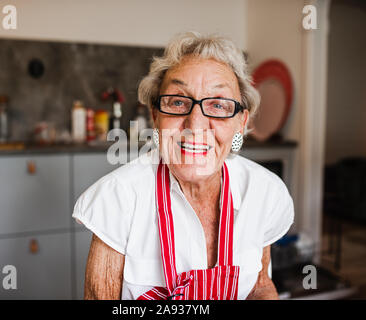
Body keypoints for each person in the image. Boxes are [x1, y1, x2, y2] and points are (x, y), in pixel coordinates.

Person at [73, 32, 294, 300]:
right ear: (155, 116)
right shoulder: (116, 199)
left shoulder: (264, 191)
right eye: (178, 102)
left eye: (218, 104)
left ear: (241, 122)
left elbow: (260, 285)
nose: (195, 124)